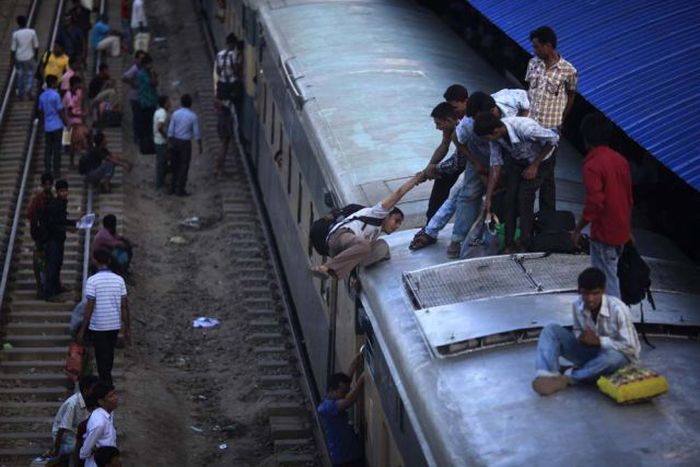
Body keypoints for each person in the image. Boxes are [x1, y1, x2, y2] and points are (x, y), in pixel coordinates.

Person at [411, 90, 530, 257]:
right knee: (467, 195)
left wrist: (522, 121)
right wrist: (476, 164)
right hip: (480, 155)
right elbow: (455, 141)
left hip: (505, 155)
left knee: (507, 196)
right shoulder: (468, 123)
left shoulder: (510, 107)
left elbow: (525, 99)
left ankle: (511, 238)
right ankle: (456, 239)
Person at [532, 267, 641, 396]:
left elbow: (631, 348)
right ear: (579, 291)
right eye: (585, 293)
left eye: (595, 293)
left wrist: (599, 341)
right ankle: (548, 375)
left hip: (618, 358)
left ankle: (569, 378)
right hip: (592, 354)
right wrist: (580, 337)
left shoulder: (618, 309)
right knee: (550, 330)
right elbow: (578, 331)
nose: (590, 299)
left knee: (612, 358)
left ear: (603, 291)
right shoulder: (577, 305)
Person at [312, 173, 424, 279]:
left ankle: (350, 273)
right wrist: (417, 179)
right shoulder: (376, 212)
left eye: (399, 224)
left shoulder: (375, 233)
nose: (397, 226)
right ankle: (326, 268)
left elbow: (355, 254)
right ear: (388, 215)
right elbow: (398, 193)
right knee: (364, 246)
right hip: (339, 237)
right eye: (396, 220)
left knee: (382, 247)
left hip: (341, 251)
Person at [476, 112, 559, 252]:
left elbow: (554, 138)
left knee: (524, 196)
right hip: (519, 159)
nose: (488, 141)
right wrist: (488, 197)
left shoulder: (526, 129)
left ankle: (525, 242)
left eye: (487, 138)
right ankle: (509, 243)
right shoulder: (494, 138)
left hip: (542, 160)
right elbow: (495, 164)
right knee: (510, 198)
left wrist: (535, 165)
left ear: (495, 131)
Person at [572, 113, 633, 299]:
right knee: (611, 275)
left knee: (607, 280)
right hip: (621, 230)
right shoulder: (621, 160)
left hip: (605, 232)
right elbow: (628, 198)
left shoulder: (592, 165)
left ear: (586, 139)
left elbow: (595, 203)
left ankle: (614, 314)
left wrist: (577, 230)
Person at [525, 26, 578, 212]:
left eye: (536, 46)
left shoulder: (569, 71)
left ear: (548, 46)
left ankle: (545, 217)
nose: (534, 50)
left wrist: (562, 118)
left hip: (550, 129)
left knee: (545, 172)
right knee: (536, 172)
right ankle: (537, 214)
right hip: (529, 126)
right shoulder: (533, 63)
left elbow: (571, 95)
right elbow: (528, 90)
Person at [77, 249, 130, 385]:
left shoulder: (92, 281)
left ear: (95, 261)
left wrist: (82, 330)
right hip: (114, 325)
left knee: (101, 356)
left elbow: (89, 307)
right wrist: (127, 329)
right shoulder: (119, 280)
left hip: (98, 326)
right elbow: (124, 307)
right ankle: (106, 382)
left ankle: (106, 384)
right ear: (109, 261)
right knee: (109, 355)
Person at [423, 84, 469, 223]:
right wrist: (429, 168)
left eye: (454, 108)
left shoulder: (469, 120)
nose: (452, 111)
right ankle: (431, 220)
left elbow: (457, 163)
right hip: (464, 153)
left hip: (480, 156)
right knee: (443, 176)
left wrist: (435, 168)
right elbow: (444, 145)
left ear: (466, 102)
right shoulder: (451, 120)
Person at [317, 353, 365, 467]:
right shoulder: (326, 407)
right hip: (343, 459)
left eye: (346, 392)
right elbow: (348, 401)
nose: (345, 395)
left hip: (351, 454)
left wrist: (354, 365)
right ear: (331, 390)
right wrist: (362, 379)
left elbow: (345, 385)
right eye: (343, 392)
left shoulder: (329, 401)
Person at [50, 375, 99, 461]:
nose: (97, 391)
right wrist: (56, 450)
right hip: (65, 438)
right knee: (86, 446)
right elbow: (62, 430)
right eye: (94, 389)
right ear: (86, 390)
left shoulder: (91, 400)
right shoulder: (72, 404)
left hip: (78, 433)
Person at [41, 179, 76, 300]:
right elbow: (52, 224)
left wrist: (73, 223)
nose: (64, 193)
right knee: (52, 265)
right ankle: (49, 293)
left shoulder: (61, 203)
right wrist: (67, 228)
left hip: (58, 239)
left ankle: (56, 287)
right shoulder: (55, 204)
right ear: (57, 192)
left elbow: (61, 220)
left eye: (65, 191)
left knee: (57, 264)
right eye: (61, 191)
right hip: (52, 240)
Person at [168, 94, 202, 196]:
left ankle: (172, 187)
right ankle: (180, 189)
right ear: (190, 104)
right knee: (184, 166)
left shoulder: (175, 114)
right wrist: (200, 145)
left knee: (174, 165)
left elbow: (170, 130)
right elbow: (196, 133)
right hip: (185, 144)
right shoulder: (193, 116)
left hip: (175, 141)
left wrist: (170, 142)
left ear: (181, 103)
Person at [26, 173, 55, 298]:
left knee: (50, 261)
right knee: (38, 262)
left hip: (51, 235)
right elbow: (29, 214)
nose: (48, 186)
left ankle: (49, 286)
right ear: (43, 185)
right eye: (46, 184)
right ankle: (40, 287)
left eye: (50, 184)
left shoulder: (53, 198)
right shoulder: (38, 199)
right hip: (40, 236)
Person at [79, 382, 119, 467]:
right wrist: (97, 451)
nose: (116, 398)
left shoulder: (108, 414)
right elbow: (84, 453)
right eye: (111, 396)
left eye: (115, 394)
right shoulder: (99, 423)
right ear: (101, 401)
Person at [39, 75, 68, 176]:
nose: (57, 84)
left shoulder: (42, 96)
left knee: (48, 149)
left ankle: (47, 169)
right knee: (57, 149)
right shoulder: (56, 95)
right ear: (53, 83)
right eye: (56, 82)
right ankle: (56, 170)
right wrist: (66, 121)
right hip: (57, 125)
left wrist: (43, 124)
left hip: (47, 127)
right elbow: (60, 110)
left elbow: (41, 112)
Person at [10, 15, 39, 100]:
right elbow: (36, 46)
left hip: (19, 57)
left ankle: (20, 94)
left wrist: (11, 60)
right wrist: (36, 56)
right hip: (29, 56)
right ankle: (29, 92)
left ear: (18, 23)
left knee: (20, 75)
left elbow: (13, 49)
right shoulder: (32, 32)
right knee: (30, 74)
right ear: (26, 22)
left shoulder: (15, 34)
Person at [64, 75, 90, 167]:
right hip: (72, 122)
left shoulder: (78, 92)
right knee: (74, 142)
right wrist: (81, 115)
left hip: (79, 121)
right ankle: (72, 163)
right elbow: (69, 112)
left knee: (83, 138)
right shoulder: (68, 95)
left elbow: (84, 97)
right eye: (78, 84)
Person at [122, 50, 145, 144]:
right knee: (137, 118)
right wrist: (133, 83)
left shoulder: (143, 68)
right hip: (135, 97)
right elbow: (124, 78)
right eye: (140, 58)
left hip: (142, 96)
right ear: (136, 59)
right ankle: (137, 137)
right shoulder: (134, 69)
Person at [137, 54, 158, 153]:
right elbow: (153, 83)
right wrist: (153, 74)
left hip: (151, 101)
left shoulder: (146, 73)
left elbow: (156, 83)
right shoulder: (143, 74)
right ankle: (147, 147)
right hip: (146, 103)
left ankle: (149, 146)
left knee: (150, 125)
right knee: (148, 126)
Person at [153, 95, 171, 189]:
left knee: (161, 162)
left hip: (157, 140)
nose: (170, 103)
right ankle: (160, 183)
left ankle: (160, 182)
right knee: (162, 163)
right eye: (168, 102)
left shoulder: (158, 111)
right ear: (165, 103)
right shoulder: (163, 113)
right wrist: (165, 136)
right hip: (161, 141)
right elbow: (160, 127)